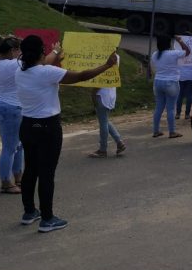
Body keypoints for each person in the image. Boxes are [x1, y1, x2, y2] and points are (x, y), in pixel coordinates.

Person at [15, 35, 117, 233]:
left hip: (27, 125)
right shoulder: (47, 72)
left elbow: (46, 64)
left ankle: (29, 212)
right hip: (48, 127)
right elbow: (80, 76)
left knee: (31, 170)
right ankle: (47, 218)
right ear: (41, 52)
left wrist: (56, 53)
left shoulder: (20, 71)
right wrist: (106, 65)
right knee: (47, 173)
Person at [0, 35, 24, 193]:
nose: (20, 53)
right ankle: (6, 182)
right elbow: (39, 62)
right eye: (18, 50)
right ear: (12, 51)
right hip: (12, 109)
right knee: (10, 148)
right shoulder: (14, 65)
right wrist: (56, 50)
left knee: (17, 146)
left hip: (1, 106)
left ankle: (18, 177)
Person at [150, 34, 191, 139]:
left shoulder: (155, 54)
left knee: (158, 107)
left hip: (158, 81)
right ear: (169, 43)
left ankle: (156, 131)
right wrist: (180, 41)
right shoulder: (173, 53)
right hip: (171, 82)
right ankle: (172, 131)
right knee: (171, 109)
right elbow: (187, 51)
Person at [88, 54, 127, 157]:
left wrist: (93, 92)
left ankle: (103, 149)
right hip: (110, 93)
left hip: (102, 94)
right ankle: (119, 142)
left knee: (103, 123)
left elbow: (102, 77)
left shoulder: (104, 56)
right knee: (105, 120)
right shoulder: (117, 56)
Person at [176, 33, 192, 121]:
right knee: (189, 96)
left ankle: (178, 113)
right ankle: (187, 114)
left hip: (180, 75)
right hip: (190, 75)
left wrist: (179, 41)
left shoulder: (178, 49)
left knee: (179, 96)